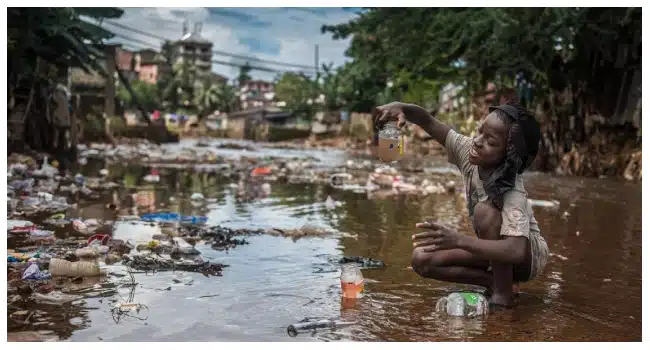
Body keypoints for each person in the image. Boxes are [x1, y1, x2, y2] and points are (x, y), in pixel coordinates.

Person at [373, 101, 549, 308]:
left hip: (528, 258)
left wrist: (458, 240)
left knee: (486, 212)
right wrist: (402, 108)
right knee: (422, 258)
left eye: (490, 142)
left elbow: (516, 250)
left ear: (508, 158)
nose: (477, 141)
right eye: (480, 132)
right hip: (499, 251)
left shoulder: (513, 192)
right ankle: (498, 283)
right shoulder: (468, 152)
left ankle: (503, 296)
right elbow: (428, 121)